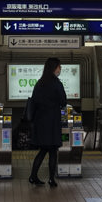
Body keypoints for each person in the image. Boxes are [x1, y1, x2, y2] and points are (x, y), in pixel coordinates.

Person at [28, 57, 68, 187]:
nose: (60, 69)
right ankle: (51, 179)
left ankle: (33, 176)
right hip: (52, 121)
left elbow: (34, 101)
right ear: (54, 68)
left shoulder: (40, 83)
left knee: (43, 150)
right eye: (59, 67)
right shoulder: (56, 83)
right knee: (52, 151)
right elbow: (63, 101)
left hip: (40, 121)